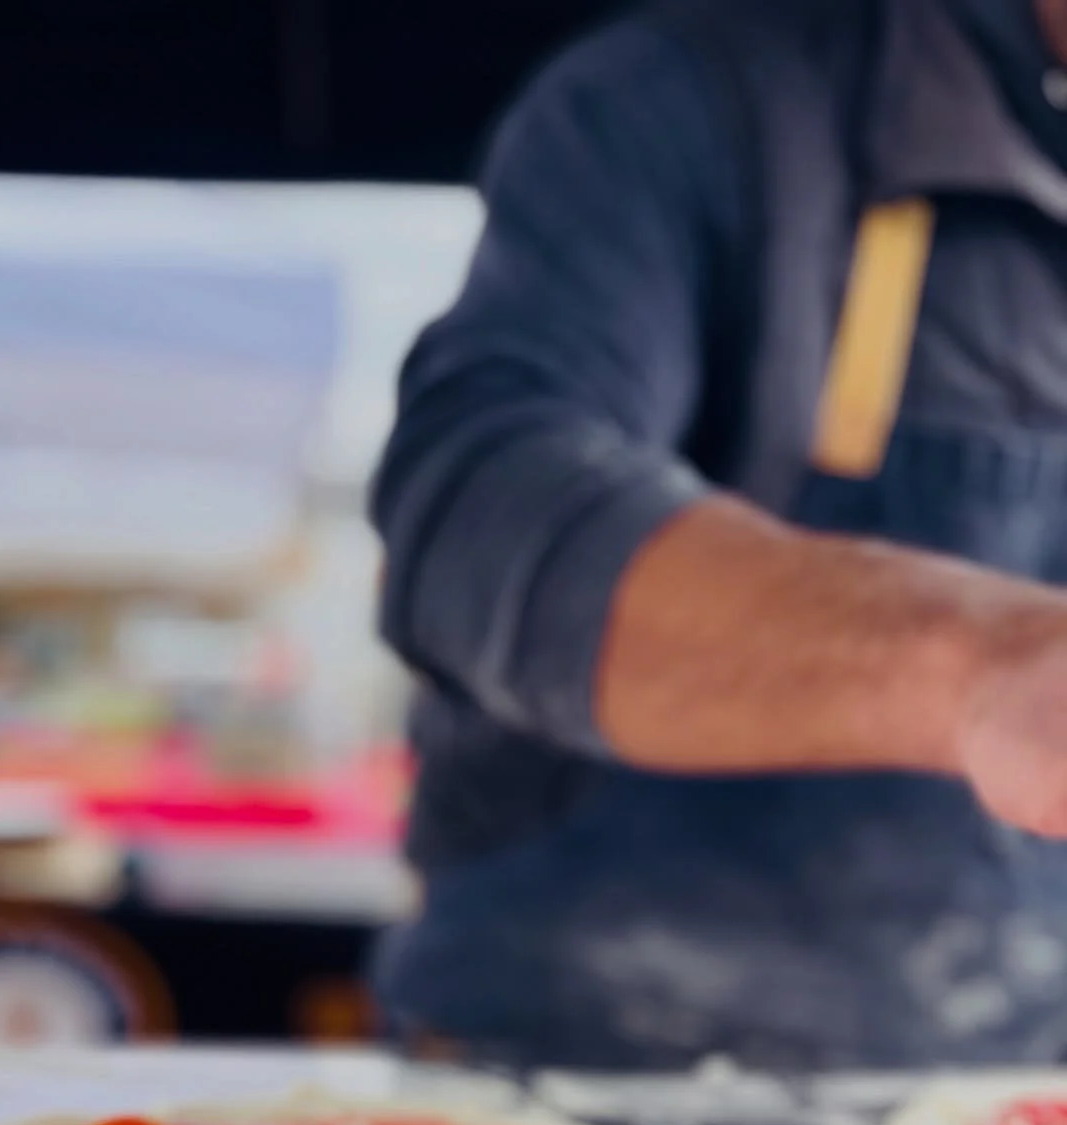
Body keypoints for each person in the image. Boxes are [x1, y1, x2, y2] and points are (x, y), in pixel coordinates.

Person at [371, 0, 1067, 1070]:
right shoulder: (676, 101)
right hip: (587, 1075)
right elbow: (479, 514)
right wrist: (983, 666)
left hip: (1021, 1101)